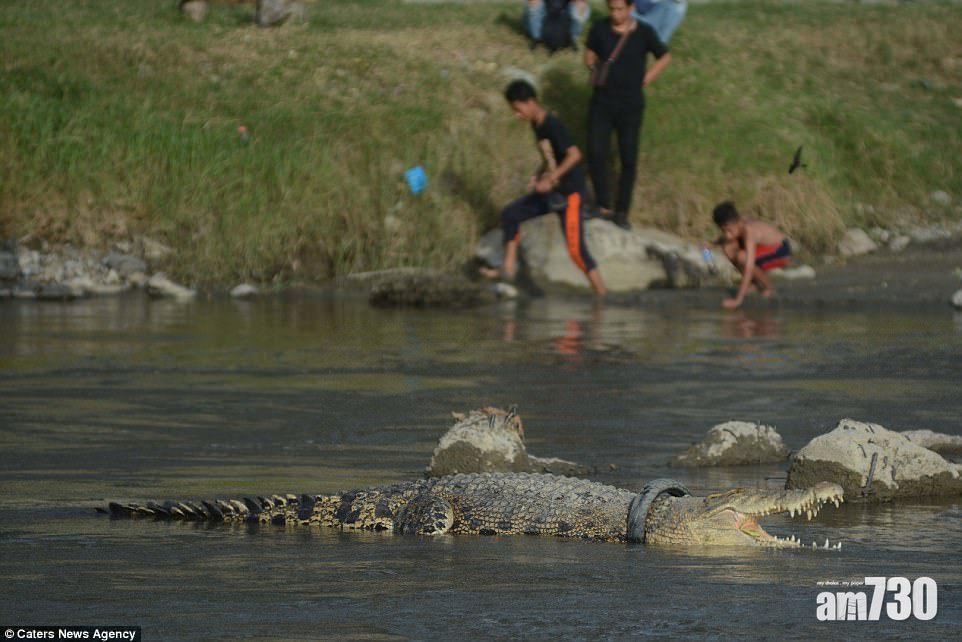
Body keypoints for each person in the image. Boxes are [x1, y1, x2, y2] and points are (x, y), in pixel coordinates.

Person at [481, 80, 607, 296]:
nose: (517, 115)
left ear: (530, 102)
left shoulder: (552, 125)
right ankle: (508, 268)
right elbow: (552, 157)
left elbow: (574, 155)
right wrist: (540, 174)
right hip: (554, 191)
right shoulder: (536, 124)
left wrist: (551, 178)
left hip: (571, 194)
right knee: (511, 214)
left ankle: (602, 295)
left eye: (518, 110)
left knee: (576, 251)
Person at [584, 0, 671, 231]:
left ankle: (622, 211)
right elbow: (589, 52)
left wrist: (646, 78)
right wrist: (592, 65)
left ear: (631, 8)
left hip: (630, 105)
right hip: (601, 102)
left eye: (620, 9)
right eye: (611, 8)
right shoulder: (599, 28)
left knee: (628, 159)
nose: (615, 14)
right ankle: (603, 204)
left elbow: (664, 56)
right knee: (595, 152)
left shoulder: (644, 32)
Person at [711, 201, 792, 310]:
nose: (727, 235)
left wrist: (738, 300)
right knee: (728, 247)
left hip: (781, 251)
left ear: (736, 221)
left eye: (729, 230)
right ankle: (755, 283)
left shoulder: (749, 231)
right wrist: (712, 243)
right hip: (764, 249)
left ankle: (769, 287)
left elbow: (749, 266)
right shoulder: (738, 224)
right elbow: (728, 238)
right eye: (723, 231)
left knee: (741, 257)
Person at [523, 0, 591, 45]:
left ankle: (571, 38)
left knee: (579, 6)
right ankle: (536, 38)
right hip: (542, 16)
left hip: (563, 16)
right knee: (534, 3)